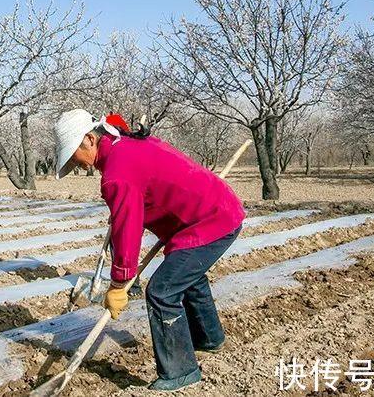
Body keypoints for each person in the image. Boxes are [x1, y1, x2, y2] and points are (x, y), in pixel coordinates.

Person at [53, 109, 245, 392]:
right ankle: (209, 338)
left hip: (210, 221)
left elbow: (128, 230)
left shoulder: (117, 172)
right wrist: (122, 210)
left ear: (90, 140)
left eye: (73, 156)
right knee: (187, 276)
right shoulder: (125, 146)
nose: (76, 164)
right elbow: (138, 200)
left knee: (162, 291)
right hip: (214, 210)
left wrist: (119, 283)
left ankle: (181, 371)